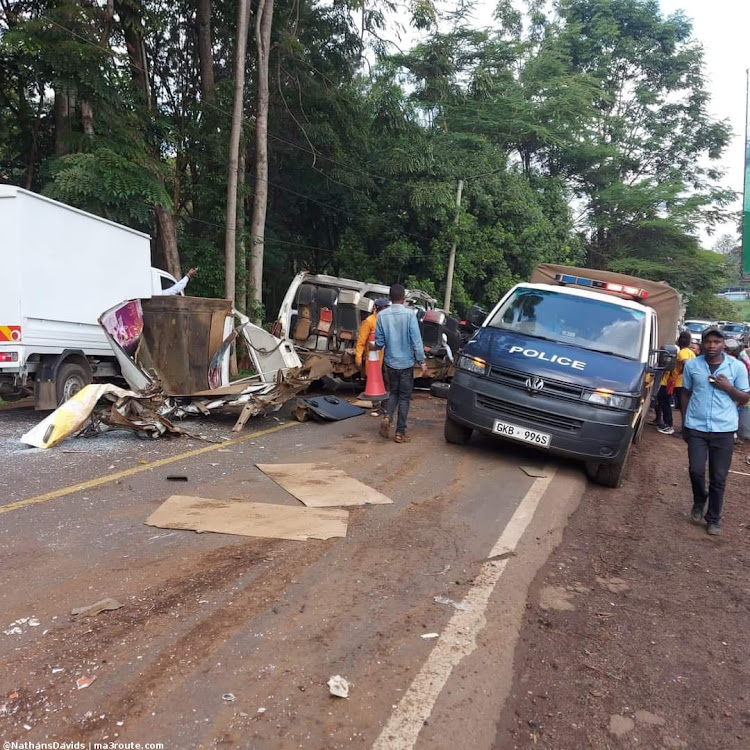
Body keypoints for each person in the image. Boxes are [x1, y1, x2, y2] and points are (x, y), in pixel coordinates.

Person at [681, 326, 750, 535]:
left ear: (723, 344)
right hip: (696, 427)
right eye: (708, 342)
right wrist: (684, 422)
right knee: (695, 469)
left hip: (724, 430)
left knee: (719, 477)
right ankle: (700, 498)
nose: (712, 346)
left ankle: (713, 518)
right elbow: (685, 393)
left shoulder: (736, 367)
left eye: (716, 342)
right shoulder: (692, 365)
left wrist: (728, 388)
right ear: (702, 343)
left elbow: (745, 398)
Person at [374, 284, 428, 443]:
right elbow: (416, 340)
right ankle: (400, 433)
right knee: (404, 398)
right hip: (406, 364)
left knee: (393, 393)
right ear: (404, 298)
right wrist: (422, 361)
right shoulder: (410, 315)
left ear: (390, 299)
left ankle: (388, 416)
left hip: (390, 363)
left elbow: (379, 342)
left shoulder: (382, 316)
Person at [668, 331, 696, 436]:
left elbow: (686, 364)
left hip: (681, 383)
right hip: (687, 383)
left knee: (683, 408)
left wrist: (683, 373)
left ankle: (684, 430)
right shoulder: (691, 352)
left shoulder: (683, 352)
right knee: (686, 408)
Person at [355, 298, 389, 370]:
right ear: (379, 308)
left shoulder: (386, 321)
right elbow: (361, 341)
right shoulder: (369, 321)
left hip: (383, 359)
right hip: (371, 359)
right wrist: (358, 358)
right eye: (385, 307)